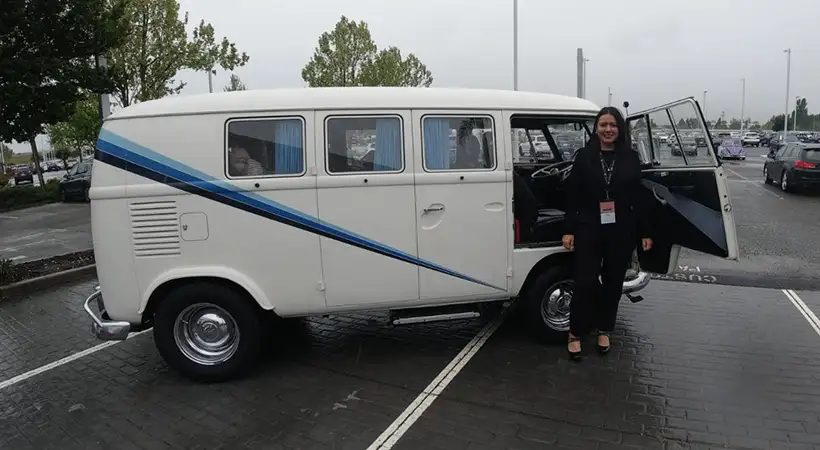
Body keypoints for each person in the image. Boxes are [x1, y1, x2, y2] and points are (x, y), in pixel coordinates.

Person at [561, 107, 653, 361]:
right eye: (603, 124)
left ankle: (605, 329)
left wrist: (645, 232)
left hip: (621, 229)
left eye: (613, 125)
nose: (608, 129)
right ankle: (576, 332)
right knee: (586, 281)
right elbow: (573, 195)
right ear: (596, 128)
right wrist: (568, 229)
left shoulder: (630, 158)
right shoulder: (584, 156)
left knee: (613, 283)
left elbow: (639, 197)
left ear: (619, 128)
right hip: (589, 226)